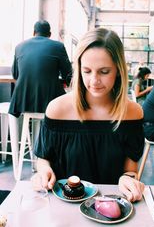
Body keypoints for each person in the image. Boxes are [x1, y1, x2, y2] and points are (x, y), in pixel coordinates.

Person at [31, 27, 145, 202]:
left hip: (111, 205)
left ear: (118, 70)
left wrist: (128, 178)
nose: (94, 81)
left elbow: (130, 168)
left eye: (104, 71)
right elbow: (44, 158)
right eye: (87, 71)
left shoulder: (132, 112)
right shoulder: (57, 109)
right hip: (64, 206)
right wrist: (44, 171)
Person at [9, 20, 72, 117]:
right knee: (69, 105)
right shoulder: (58, 46)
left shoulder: (19, 47)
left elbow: (15, 74)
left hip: (23, 102)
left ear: (34, 33)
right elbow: (68, 74)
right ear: (49, 34)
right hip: (50, 101)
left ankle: (26, 130)